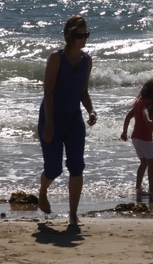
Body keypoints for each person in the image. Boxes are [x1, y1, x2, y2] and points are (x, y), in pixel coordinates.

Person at [37, 15, 97, 226]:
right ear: (70, 35)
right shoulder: (56, 57)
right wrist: (50, 124)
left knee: (77, 167)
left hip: (74, 121)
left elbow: (83, 91)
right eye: (80, 35)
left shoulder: (87, 61)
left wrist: (91, 110)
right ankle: (43, 190)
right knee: (53, 169)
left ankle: (72, 214)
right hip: (52, 118)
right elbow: (49, 91)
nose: (84, 39)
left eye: (86, 34)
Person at [121, 78, 153, 195]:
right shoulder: (148, 102)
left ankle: (138, 186)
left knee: (143, 163)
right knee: (151, 163)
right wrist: (147, 119)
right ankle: (151, 187)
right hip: (145, 139)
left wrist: (124, 132)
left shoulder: (138, 102)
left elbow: (128, 117)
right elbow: (145, 111)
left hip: (135, 138)